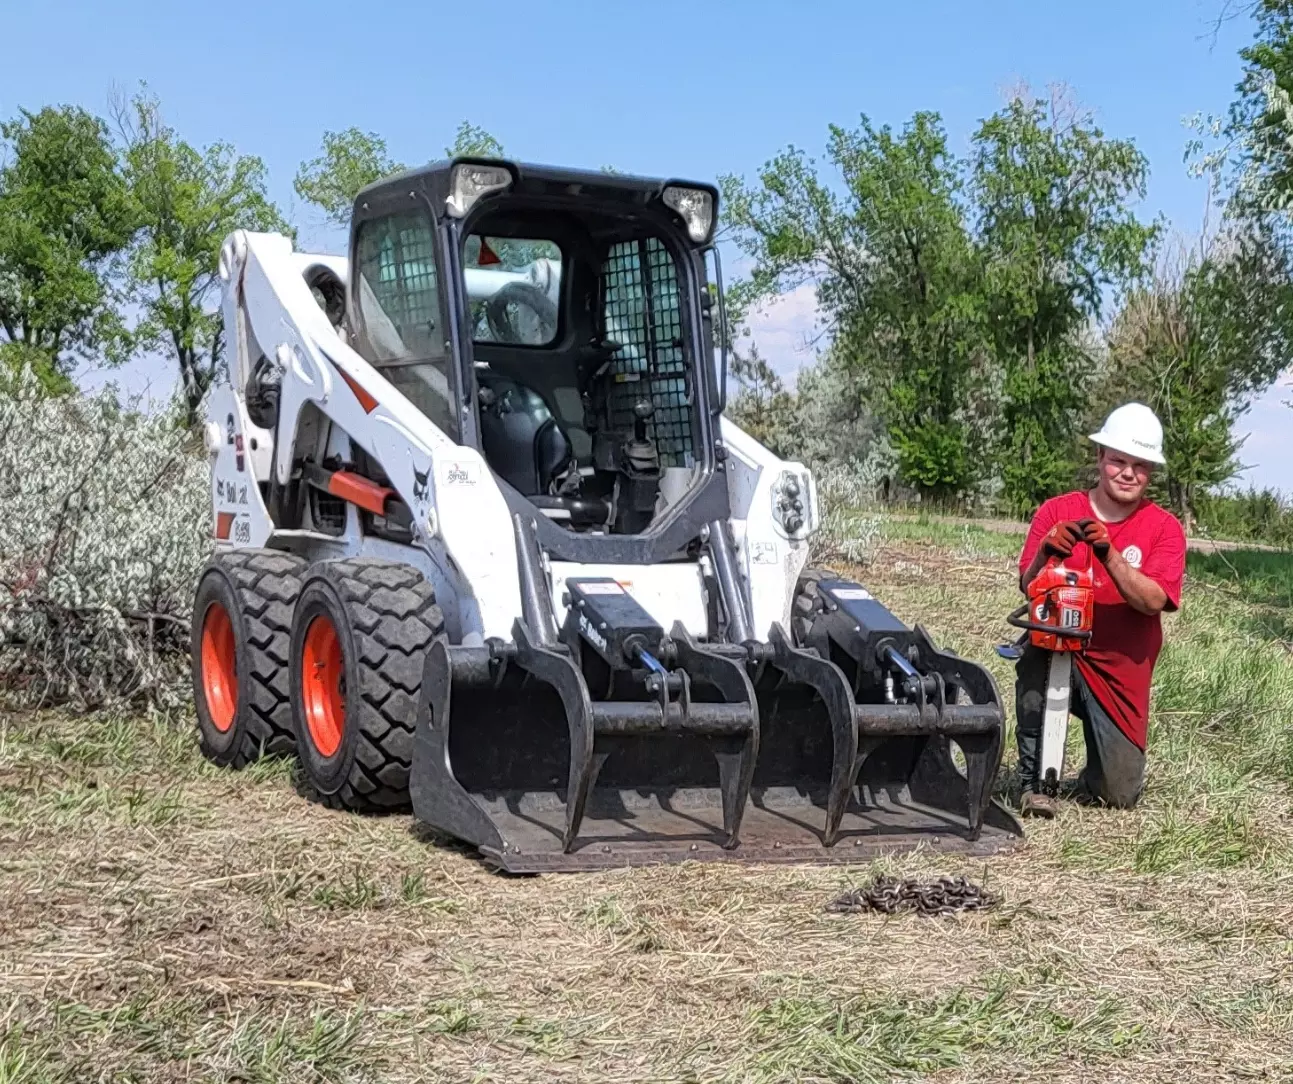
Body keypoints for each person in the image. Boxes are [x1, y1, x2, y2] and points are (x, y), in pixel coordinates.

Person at [1014, 403, 1187, 817]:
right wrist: (1044, 554)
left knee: (1119, 794)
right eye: (1118, 461)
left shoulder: (1164, 528)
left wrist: (1108, 553)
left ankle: (1095, 772)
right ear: (1100, 458)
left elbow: (1153, 601)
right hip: (1059, 651)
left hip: (1120, 670)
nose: (1127, 473)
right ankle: (1034, 781)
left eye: (1140, 465)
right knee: (1036, 656)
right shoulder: (1056, 511)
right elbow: (1027, 584)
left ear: (1151, 471)